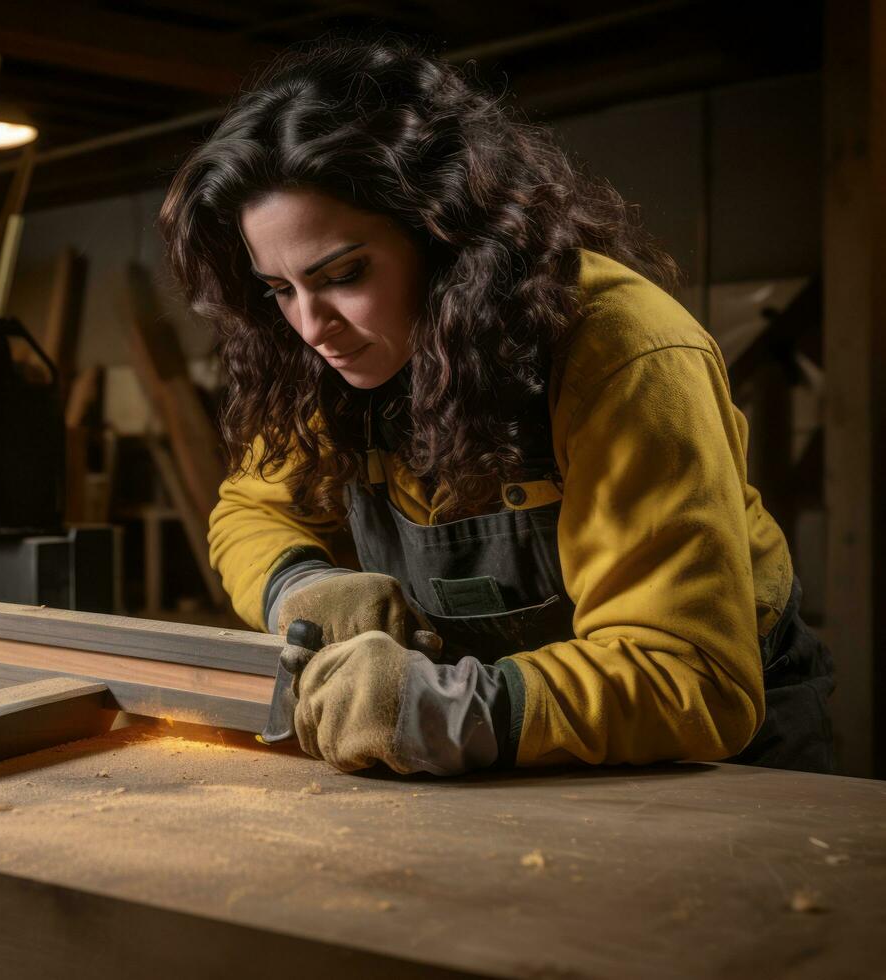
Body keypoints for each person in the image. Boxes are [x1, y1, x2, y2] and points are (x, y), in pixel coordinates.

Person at [157, 38, 834, 777]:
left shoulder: (623, 350)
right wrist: (306, 587)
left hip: (712, 756)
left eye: (343, 274)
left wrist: (446, 709)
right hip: (491, 739)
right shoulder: (334, 359)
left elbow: (687, 676)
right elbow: (252, 509)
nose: (312, 327)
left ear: (445, 235)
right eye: (280, 289)